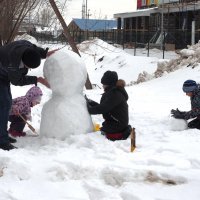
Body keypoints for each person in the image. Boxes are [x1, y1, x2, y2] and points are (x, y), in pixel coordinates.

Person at [0, 40, 52, 150]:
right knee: (4, 105)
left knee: (8, 102)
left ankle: (3, 134)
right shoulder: (13, 64)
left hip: (4, 73)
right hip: (2, 73)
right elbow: (17, 81)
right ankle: (2, 140)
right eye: (28, 67)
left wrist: (45, 53)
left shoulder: (27, 46)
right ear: (22, 61)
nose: (28, 70)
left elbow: (35, 48)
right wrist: (37, 79)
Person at [86, 70, 131, 141]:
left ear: (109, 83)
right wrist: (90, 102)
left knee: (102, 131)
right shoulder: (113, 92)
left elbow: (103, 108)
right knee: (102, 128)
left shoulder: (115, 94)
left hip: (117, 125)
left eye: (104, 83)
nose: (102, 85)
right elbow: (105, 106)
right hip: (117, 123)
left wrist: (87, 110)